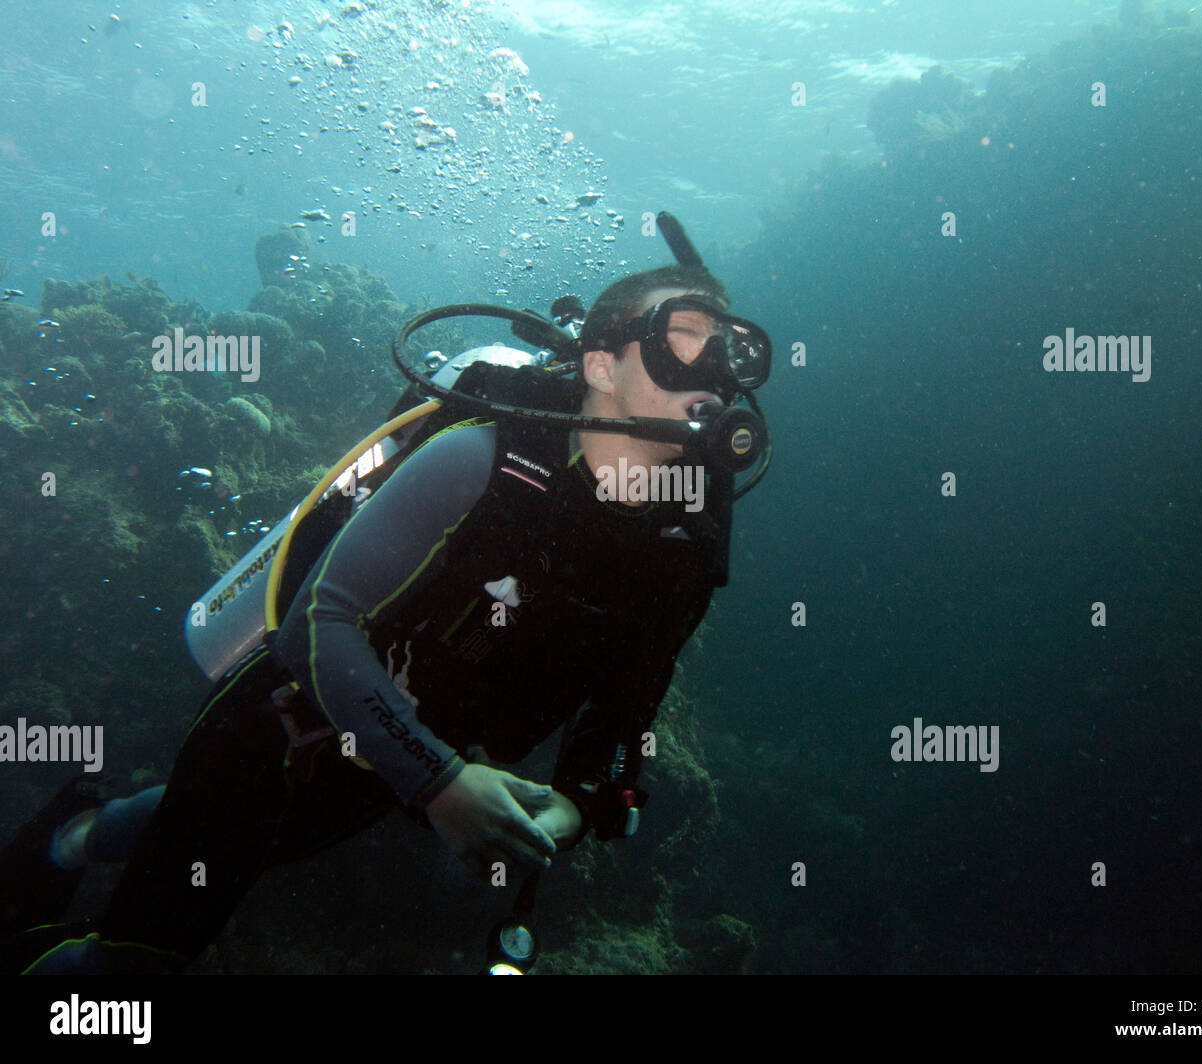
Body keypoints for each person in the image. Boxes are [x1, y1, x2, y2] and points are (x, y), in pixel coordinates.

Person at [0, 261, 772, 973]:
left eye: (730, 352)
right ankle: (69, 876)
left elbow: (628, 705)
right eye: (683, 338)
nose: (716, 372)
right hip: (280, 725)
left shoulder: (686, 542)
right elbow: (316, 622)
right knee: (143, 958)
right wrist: (437, 780)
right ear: (600, 365)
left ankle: (72, 835)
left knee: (229, 840)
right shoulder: (485, 456)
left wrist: (573, 803)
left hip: (390, 773)